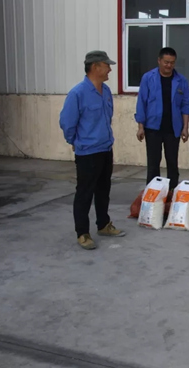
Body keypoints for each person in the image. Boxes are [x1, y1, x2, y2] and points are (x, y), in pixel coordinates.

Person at [59, 50, 125, 250]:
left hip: (105, 148)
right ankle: (83, 233)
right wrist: (74, 141)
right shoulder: (78, 93)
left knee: (103, 190)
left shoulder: (106, 91)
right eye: (107, 65)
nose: (110, 69)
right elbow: (67, 122)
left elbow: (108, 117)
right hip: (87, 152)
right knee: (85, 193)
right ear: (95, 67)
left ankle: (103, 224)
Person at [135, 47, 189, 191]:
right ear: (159, 61)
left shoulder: (181, 81)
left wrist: (185, 128)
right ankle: (152, 194)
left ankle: (172, 193)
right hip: (152, 128)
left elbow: (185, 105)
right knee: (153, 163)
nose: (169, 65)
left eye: (172, 62)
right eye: (166, 62)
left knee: (172, 163)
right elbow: (142, 102)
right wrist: (140, 127)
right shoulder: (148, 78)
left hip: (173, 128)